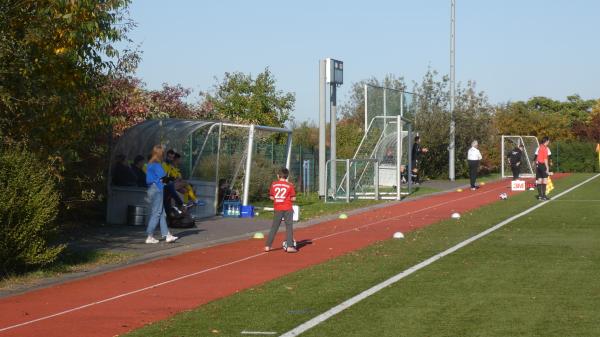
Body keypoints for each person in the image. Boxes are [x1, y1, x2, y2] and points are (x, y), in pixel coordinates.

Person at [145, 145, 178, 244]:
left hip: (151, 189)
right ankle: (149, 235)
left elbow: (149, 179)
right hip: (158, 189)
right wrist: (170, 179)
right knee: (157, 213)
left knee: (161, 213)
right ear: (160, 153)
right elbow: (163, 178)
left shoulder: (150, 164)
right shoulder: (157, 165)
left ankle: (167, 235)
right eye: (163, 153)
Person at [265, 167, 297, 253]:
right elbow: (293, 198)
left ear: (278, 176)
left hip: (278, 208)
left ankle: (268, 246)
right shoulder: (290, 185)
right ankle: (290, 246)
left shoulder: (274, 184)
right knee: (289, 227)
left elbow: (271, 196)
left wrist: (278, 199)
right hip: (287, 208)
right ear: (287, 176)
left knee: (274, 227)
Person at [534, 136, 552, 201]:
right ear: (546, 141)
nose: (549, 142)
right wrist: (547, 168)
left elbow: (536, 157)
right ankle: (544, 196)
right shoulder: (545, 148)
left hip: (538, 165)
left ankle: (540, 196)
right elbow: (545, 159)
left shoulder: (540, 147)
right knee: (545, 180)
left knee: (539, 180)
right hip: (542, 165)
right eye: (548, 141)